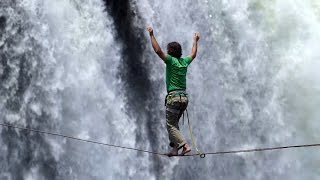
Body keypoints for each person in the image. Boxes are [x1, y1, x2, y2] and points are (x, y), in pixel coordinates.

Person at [147, 26, 200, 156]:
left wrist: (151, 35)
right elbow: (193, 54)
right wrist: (195, 41)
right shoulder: (184, 61)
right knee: (174, 124)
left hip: (174, 98)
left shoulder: (171, 61)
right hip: (184, 99)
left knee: (170, 125)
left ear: (170, 52)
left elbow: (157, 50)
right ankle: (175, 149)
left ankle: (185, 146)